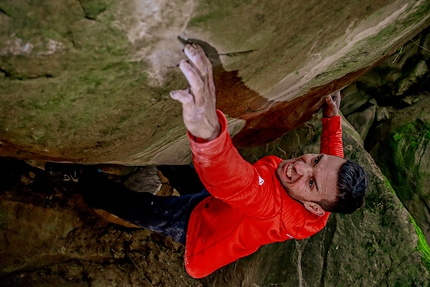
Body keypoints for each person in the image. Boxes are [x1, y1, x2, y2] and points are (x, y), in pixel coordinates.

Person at [54, 43, 368, 279]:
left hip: (199, 228)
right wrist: (332, 121)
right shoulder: (323, 203)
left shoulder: (272, 208)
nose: (299, 166)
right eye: (314, 159)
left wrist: (209, 132)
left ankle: (84, 179)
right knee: (177, 164)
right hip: (219, 203)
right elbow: (332, 160)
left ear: (314, 206)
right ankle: (149, 163)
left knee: (133, 207)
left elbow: (236, 182)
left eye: (310, 180)